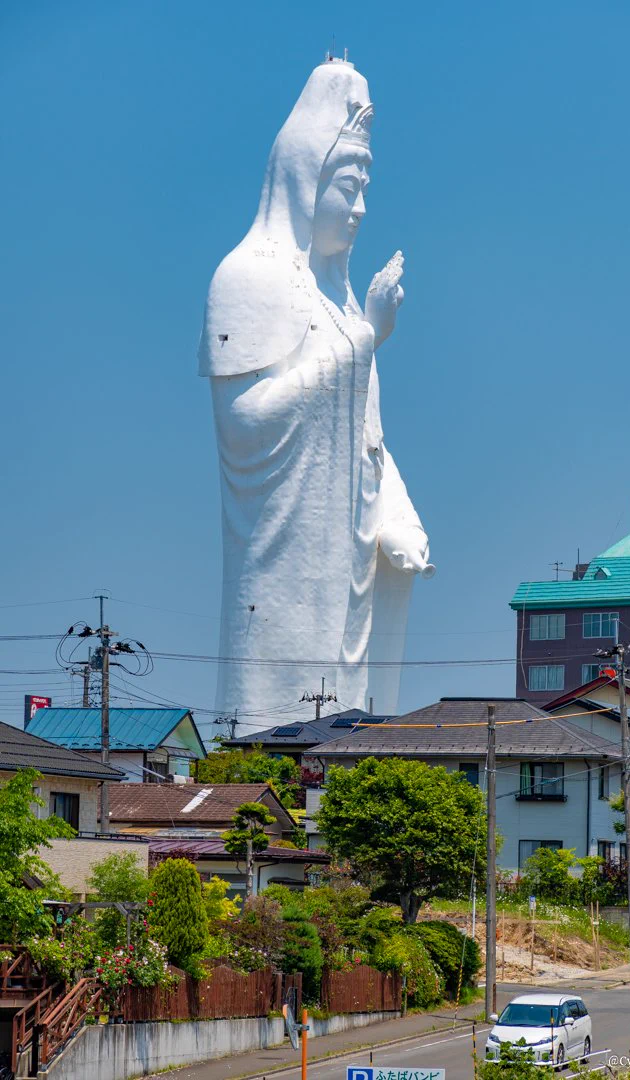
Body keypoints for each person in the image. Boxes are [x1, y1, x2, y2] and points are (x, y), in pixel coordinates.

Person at [198, 58, 433, 727]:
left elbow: (368, 440)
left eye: (365, 189)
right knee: (282, 730)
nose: (359, 209)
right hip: (283, 576)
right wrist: (365, 340)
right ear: (306, 179)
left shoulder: (341, 298)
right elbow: (245, 427)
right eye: (347, 187)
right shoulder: (248, 276)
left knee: (348, 729)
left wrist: (399, 515)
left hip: (349, 570)